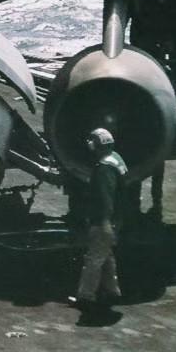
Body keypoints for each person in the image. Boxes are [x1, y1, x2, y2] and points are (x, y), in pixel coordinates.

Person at [70, 128, 128, 313]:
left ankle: (85, 297)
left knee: (93, 259)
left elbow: (105, 198)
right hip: (115, 218)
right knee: (106, 255)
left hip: (104, 221)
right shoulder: (116, 158)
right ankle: (112, 291)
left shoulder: (104, 168)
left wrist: (104, 222)